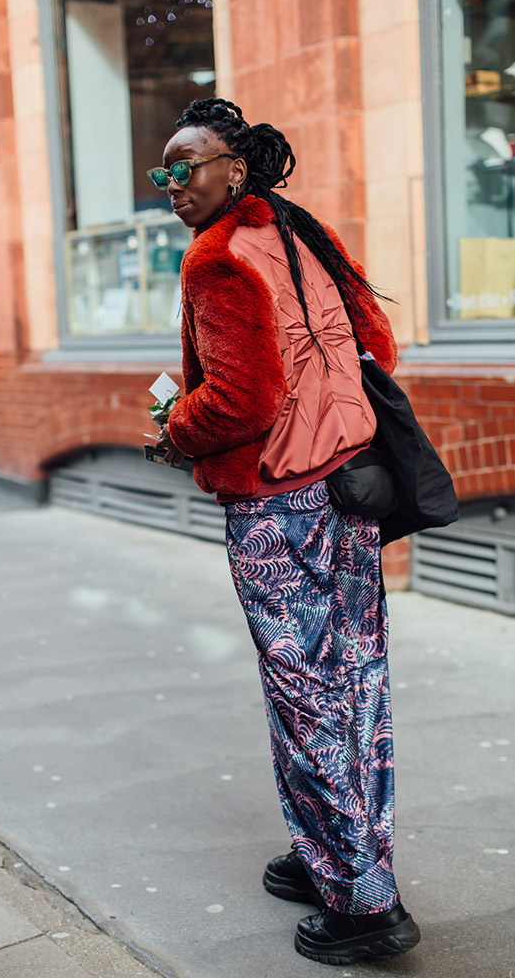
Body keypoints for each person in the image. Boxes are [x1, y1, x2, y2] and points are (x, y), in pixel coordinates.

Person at [151, 98, 420, 965]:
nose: (170, 185)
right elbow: (377, 339)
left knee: (305, 692)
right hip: (349, 490)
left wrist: (172, 432)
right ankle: (330, 855)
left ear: (234, 167)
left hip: (278, 507)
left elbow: (240, 400)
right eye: (162, 171)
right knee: (354, 682)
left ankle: (363, 905)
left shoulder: (217, 258)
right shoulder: (302, 234)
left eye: (183, 166)